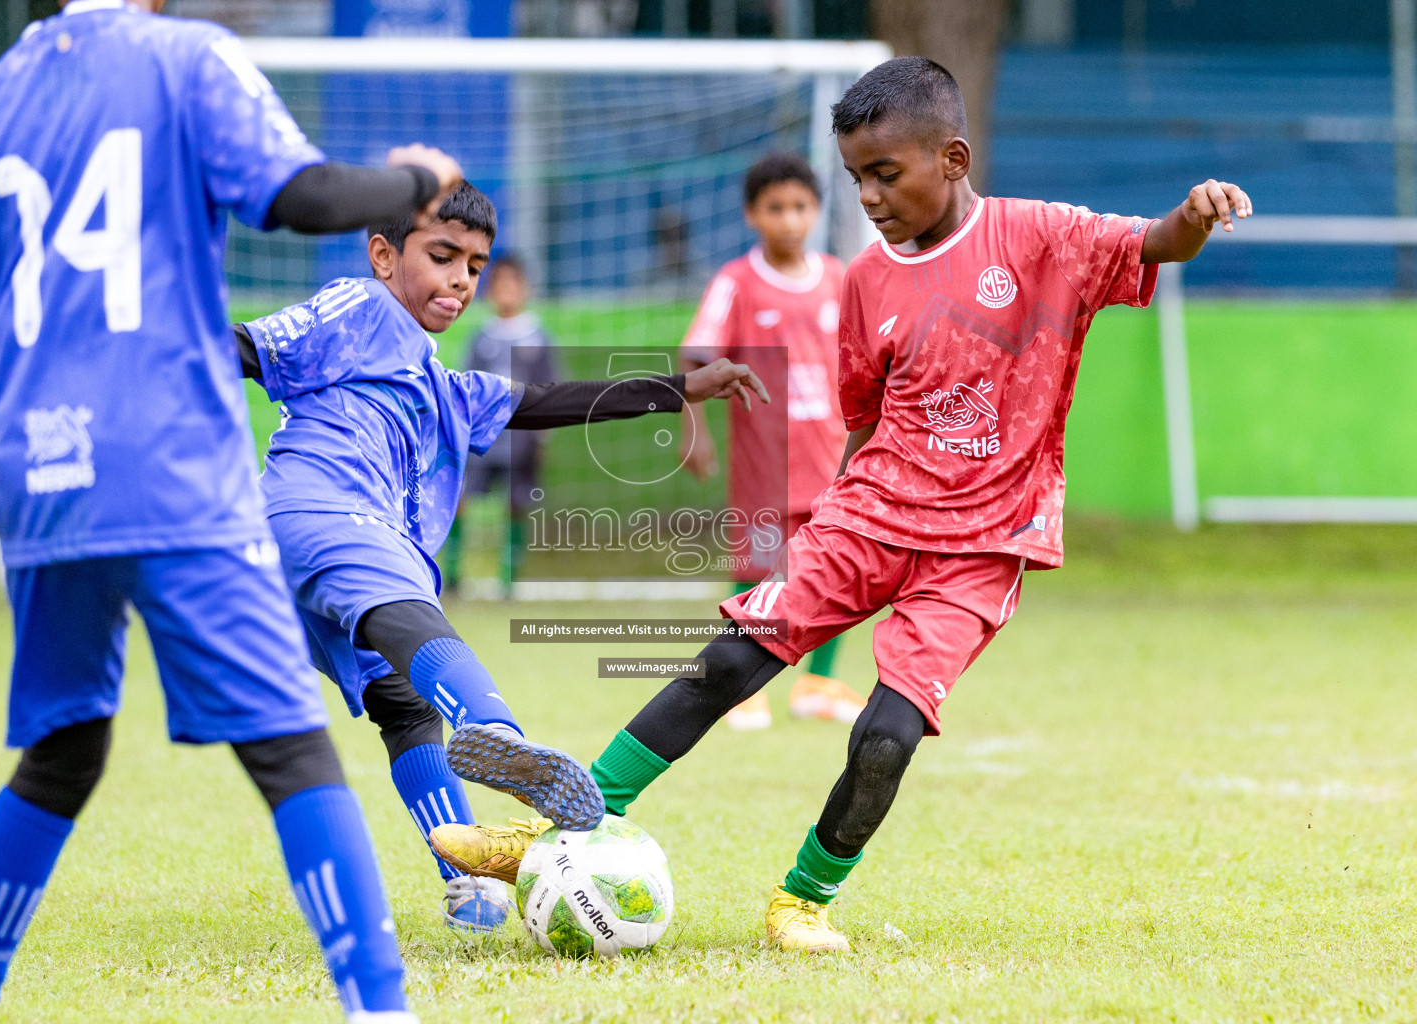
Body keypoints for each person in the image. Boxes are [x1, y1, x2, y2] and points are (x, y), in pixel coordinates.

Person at [429, 56, 1253, 955]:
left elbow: (1157, 245)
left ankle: (802, 901)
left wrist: (1196, 212)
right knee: (728, 663)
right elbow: (869, 418)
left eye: (884, 174)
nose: (865, 195)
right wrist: (831, 517)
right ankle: (560, 829)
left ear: (952, 155)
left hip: (984, 542)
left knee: (886, 734)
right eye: (856, 176)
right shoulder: (864, 281)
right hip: (870, 512)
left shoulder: (1041, 236)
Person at [0, 1, 464, 1020]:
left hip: (40, 472)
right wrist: (417, 182)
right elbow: (299, 195)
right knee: (293, 743)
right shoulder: (187, 57)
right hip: (166, 463)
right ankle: (380, 1009)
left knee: (63, 750)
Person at [235, 181, 770, 933]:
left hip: (310, 553)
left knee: (403, 706)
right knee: (410, 615)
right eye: (442, 255)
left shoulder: (440, 386)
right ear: (383, 255)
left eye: (475, 265)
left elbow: (547, 400)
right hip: (321, 510)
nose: (460, 280)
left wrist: (680, 389)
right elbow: (247, 349)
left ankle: (470, 882)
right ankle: (502, 737)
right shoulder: (358, 307)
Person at [679, 151, 864, 731]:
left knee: (840, 571)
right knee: (758, 570)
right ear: (752, 215)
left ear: (817, 211)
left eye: (801, 207)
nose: (790, 220)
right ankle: (742, 687)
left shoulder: (839, 277)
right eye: (775, 208)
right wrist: (695, 434)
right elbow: (694, 359)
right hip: (765, 460)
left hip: (833, 456)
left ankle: (817, 681)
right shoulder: (736, 283)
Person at [443, 253, 557, 594]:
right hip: (480, 438)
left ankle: (508, 579)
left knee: (514, 504)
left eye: (513, 284)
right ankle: (452, 574)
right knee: (460, 498)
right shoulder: (481, 337)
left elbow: (550, 390)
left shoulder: (538, 337)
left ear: (525, 289)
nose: (506, 291)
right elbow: (464, 386)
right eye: (500, 284)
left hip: (520, 440)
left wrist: (543, 437)